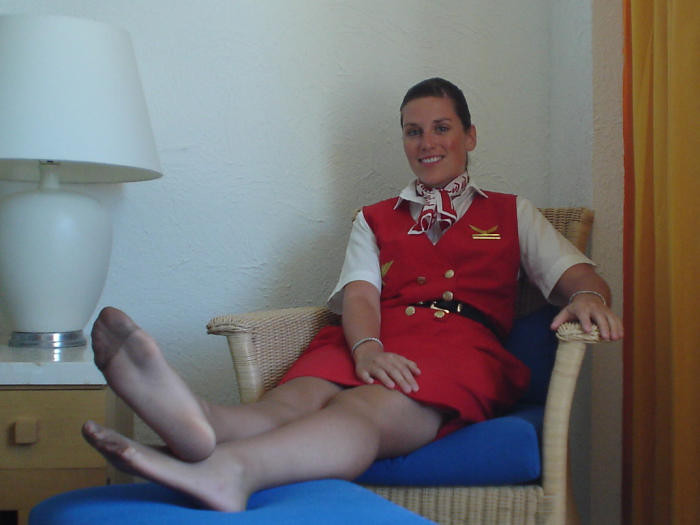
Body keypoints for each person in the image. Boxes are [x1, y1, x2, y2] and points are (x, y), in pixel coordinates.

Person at [82, 77, 623, 512]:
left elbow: (580, 277)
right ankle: (201, 422)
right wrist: (366, 349)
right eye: (413, 132)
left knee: (361, 408)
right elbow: (361, 294)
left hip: (460, 349)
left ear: (470, 136)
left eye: (441, 128)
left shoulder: (511, 212)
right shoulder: (375, 217)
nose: (427, 143)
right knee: (291, 402)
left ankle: (232, 471)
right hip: (371, 336)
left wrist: (589, 299)